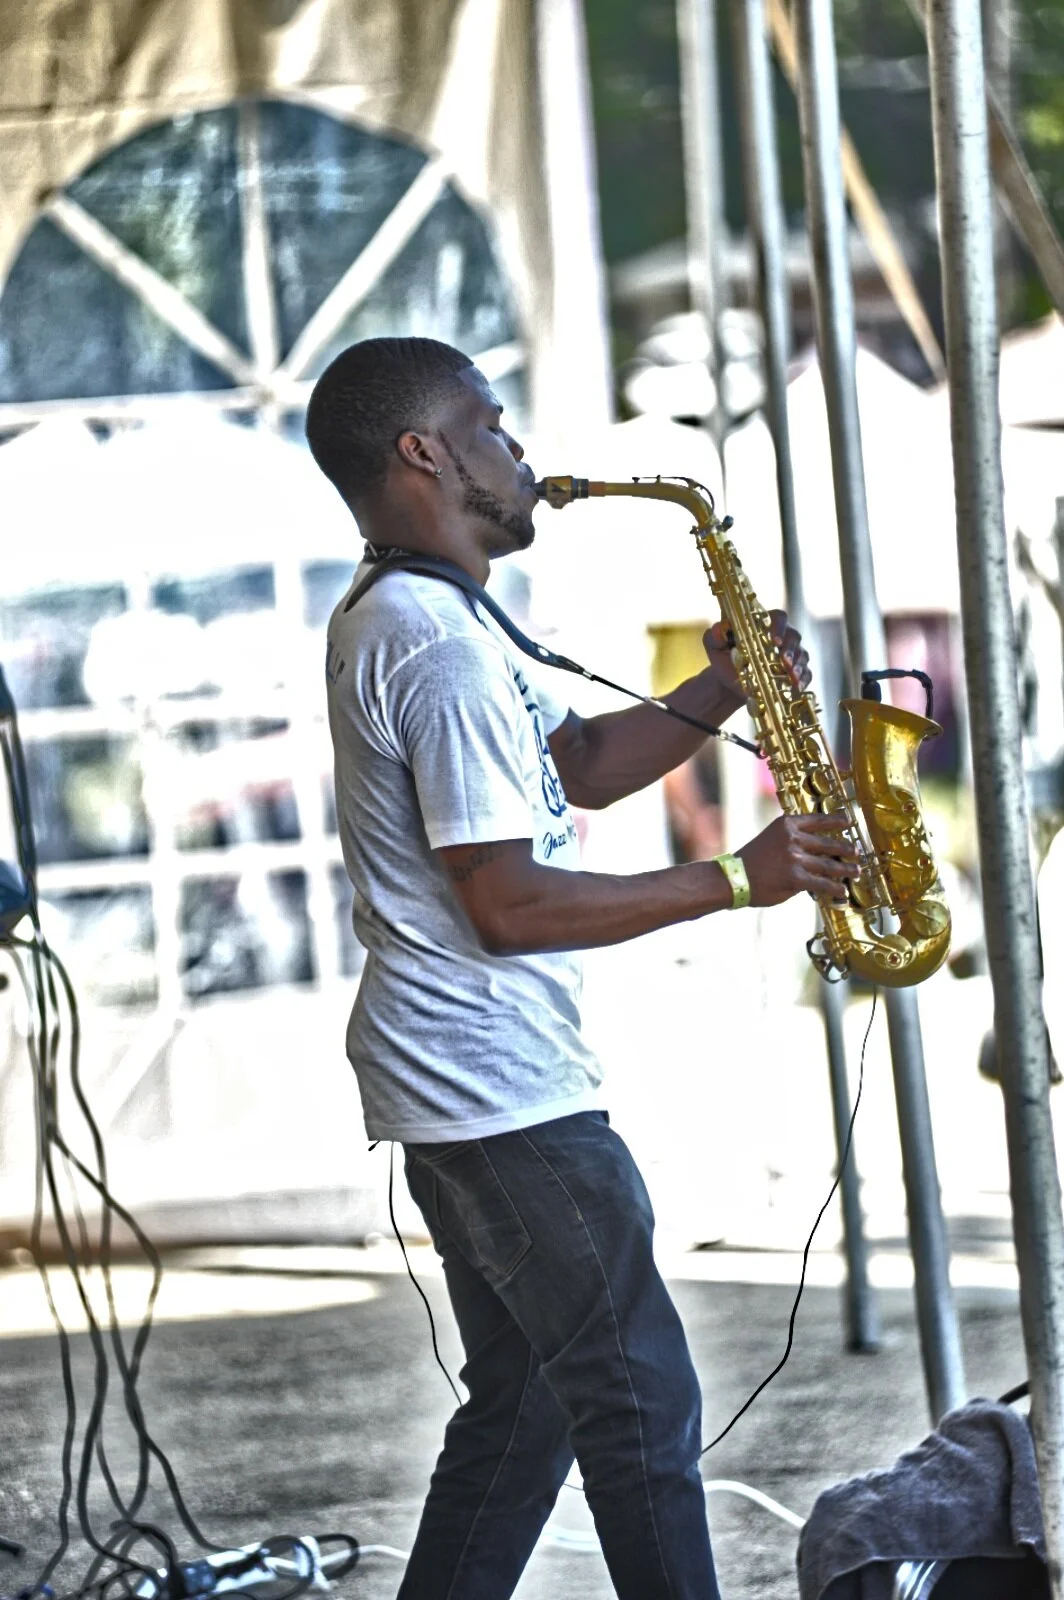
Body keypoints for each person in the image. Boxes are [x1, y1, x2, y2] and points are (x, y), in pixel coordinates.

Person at [306, 336, 855, 1600]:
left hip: (468, 1074)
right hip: (494, 1087)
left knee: (525, 1406)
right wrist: (733, 879)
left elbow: (581, 766)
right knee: (637, 1396)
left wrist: (715, 688)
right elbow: (503, 902)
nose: (521, 456)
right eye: (492, 426)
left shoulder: (437, 616)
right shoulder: (431, 644)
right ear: (423, 452)